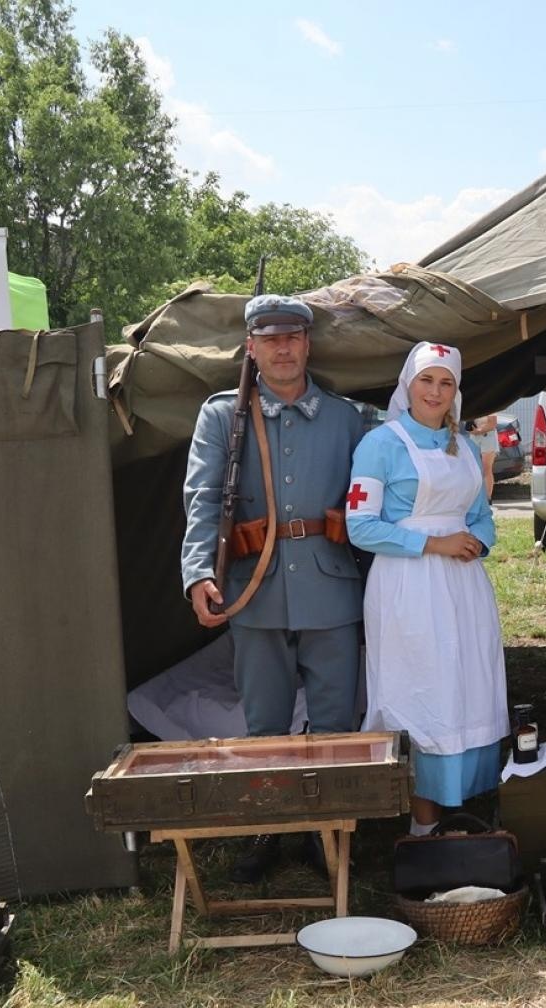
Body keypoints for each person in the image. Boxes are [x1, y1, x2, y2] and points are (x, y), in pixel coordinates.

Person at [180, 294, 366, 882]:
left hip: (330, 584)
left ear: (308, 344)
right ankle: (268, 828)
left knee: (334, 722)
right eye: (269, 338)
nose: (283, 348)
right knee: (265, 724)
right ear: (250, 347)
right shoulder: (222, 415)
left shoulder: (346, 417)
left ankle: (327, 833)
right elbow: (204, 500)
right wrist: (198, 573)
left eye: (292, 337)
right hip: (253, 587)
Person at [347, 341, 508, 837]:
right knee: (422, 689)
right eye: (426, 380)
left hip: (462, 585)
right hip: (408, 584)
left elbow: (481, 518)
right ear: (408, 385)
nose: (435, 392)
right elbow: (361, 526)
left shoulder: (465, 447)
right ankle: (422, 823)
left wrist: (476, 543)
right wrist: (436, 544)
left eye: (446, 383)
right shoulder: (382, 444)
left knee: (466, 684)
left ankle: (459, 806)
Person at [465, 414, 500, 500]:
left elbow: (492, 423)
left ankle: (487, 498)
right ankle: (475, 497)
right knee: (474, 468)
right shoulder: (472, 405)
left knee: (486, 468)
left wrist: (478, 430)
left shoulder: (488, 405)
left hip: (488, 436)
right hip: (474, 436)